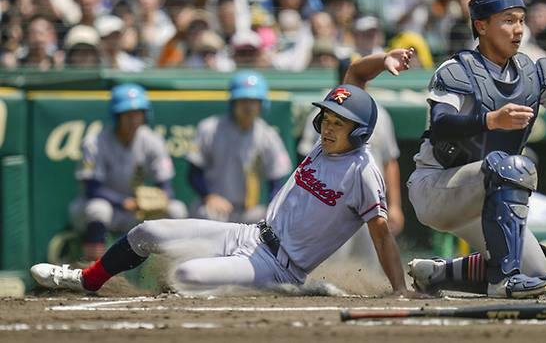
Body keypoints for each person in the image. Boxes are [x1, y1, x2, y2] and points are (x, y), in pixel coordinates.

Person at [31, 78, 411, 296]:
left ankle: (300, 290)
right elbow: (354, 77)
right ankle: (86, 279)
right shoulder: (322, 146)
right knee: (146, 231)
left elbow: (382, 238)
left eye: (338, 122)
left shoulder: (363, 172)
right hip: (249, 233)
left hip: (281, 267)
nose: (327, 126)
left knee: (186, 276)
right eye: (326, 118)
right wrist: (382, 61)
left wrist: (398, 292)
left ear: (359, 132)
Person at [396, 0, 546, 298]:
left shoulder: (533, 71)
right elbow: (441, 126)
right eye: (508, 20)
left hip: (488, 194)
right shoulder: (458, 68)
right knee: (513, 168)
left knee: (538, 275)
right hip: (438, 186)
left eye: (521, 20)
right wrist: (490, 120)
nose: (518, 29)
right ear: (481, 25)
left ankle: (436, 274)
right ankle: (502, 281)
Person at [298, 56, 407, 269]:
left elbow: (389, 161)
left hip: (369, 201)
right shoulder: (323, 113)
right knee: (328, 270)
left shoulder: (379, 114)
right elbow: (306, 161)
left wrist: (395, 206)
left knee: (372, 268)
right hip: (331, 202)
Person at [68, 83, 188, 260]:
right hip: (100, 208)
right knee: (99, 209)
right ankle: (92, 272)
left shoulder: (152, 140)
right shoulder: (95, 142)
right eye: (128, 115)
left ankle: (170, 274)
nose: (134, 120)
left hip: (137, 210)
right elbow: (92, 188)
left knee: (177, 210)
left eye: (138, 114)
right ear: (116, 116)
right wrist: (123, 202)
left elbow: (165, 185)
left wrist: (160, 199)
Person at [186, 71, 291, 223]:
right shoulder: (210, 128)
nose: (248, 107)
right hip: (214, 205)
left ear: (262, 104)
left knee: (272, 220)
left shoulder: (268, 136)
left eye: (253, 101)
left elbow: (275, 181)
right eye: (243, 101)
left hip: (248, 211)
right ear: (233, 102)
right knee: (206, 215)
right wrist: (209, 196)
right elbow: (193, 173)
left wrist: (271, 211)